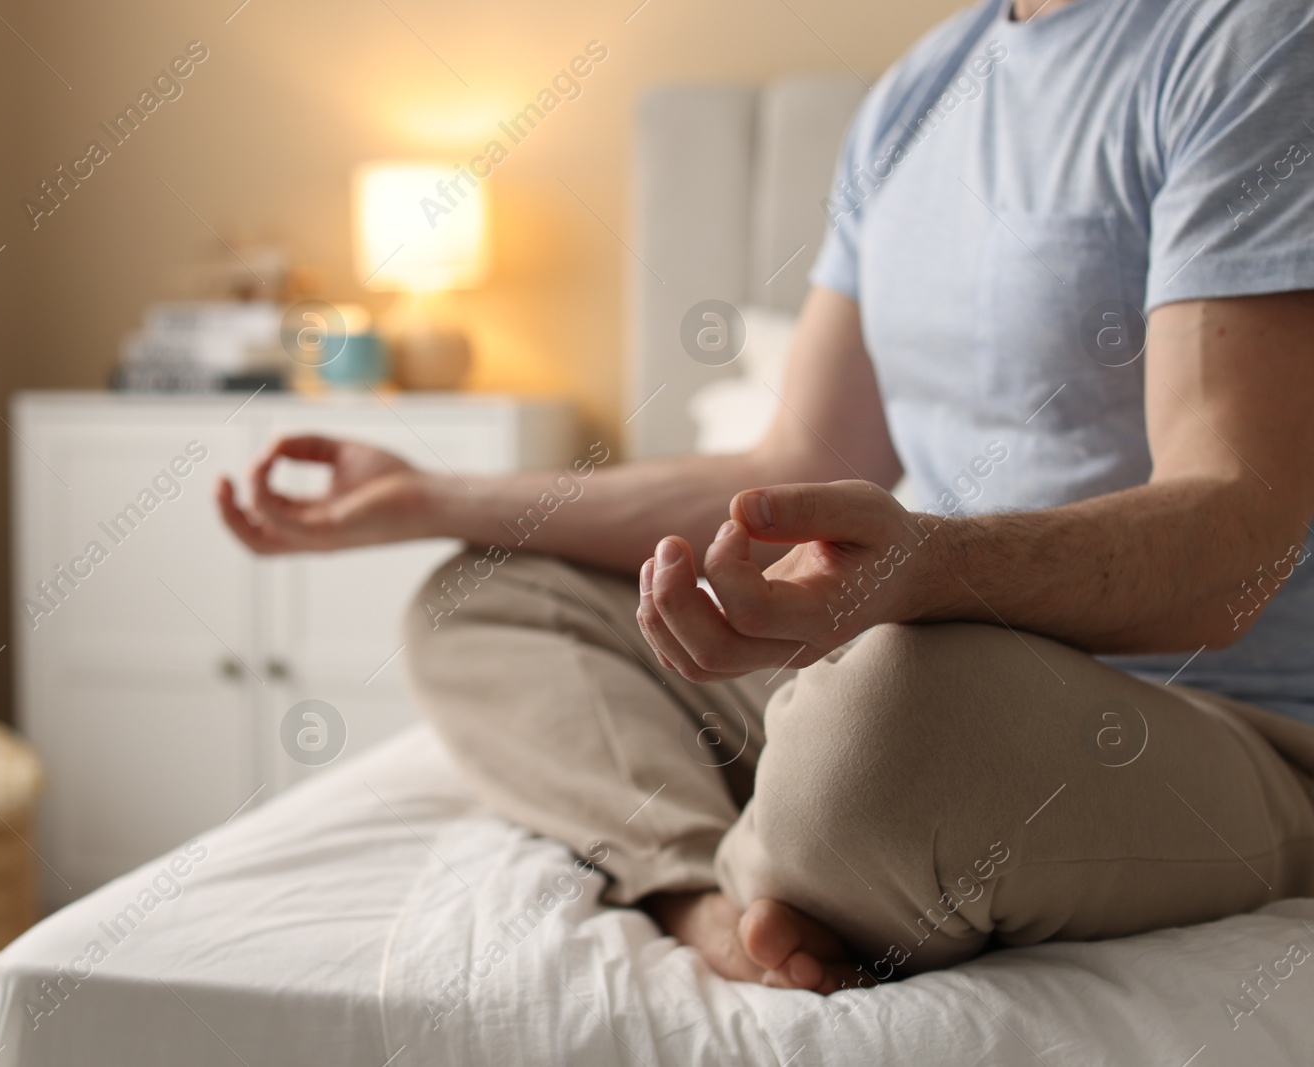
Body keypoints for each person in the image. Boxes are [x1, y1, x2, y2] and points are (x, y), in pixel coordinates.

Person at [218, 0, 1314, 994]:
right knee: (482, 598)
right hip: (902, 648)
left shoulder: (1249, 42)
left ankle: (802, 825)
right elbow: (784, 463)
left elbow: (1236, 536)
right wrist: (433, 496)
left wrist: (927, 568)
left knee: (888, 716)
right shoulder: (917, 94)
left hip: (1201, 717)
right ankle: (710, 893)